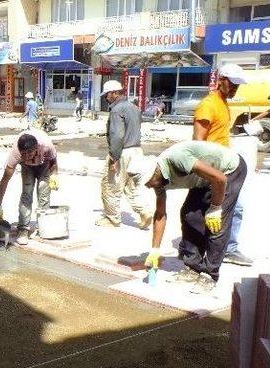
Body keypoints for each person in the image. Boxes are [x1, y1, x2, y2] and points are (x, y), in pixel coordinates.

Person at [140, 141, 247, 293]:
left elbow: (220, 179)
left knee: (217, 223)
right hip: (204, 179)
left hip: (229, 170)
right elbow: (160, 214)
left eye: (148, 183)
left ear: (155, 172)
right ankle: (193, 268)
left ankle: (210, 275)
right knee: (189, 215)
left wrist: (215, 208)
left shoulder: (177, 159)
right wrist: (155, 250)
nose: (148, 186)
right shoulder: (158, 182)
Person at [192, 63, 252, 267]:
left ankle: (223, 248)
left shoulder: (223, 103)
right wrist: (206, 173)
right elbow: (198, 142)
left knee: (231, 209)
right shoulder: (208, 105)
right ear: (220, 80)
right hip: (213, 170)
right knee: (218, 210)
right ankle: (221, 250)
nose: (235, 88)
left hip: (225, 166)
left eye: (238, 84)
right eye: (232, 83)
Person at [96, 80, 152, 229]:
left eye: (107, 95)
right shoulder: (134, 108)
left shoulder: (116, 110)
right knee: (130, 185)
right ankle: (144, 212)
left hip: (122, 152)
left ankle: (112, 218)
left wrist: (114, 158)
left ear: (115, 93)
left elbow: (117, 136)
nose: (106, 98)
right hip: (136, 150)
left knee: (110, 185)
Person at [0, 128, 59, 245]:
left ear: (36, 148)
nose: (27, 156)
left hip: (44, 165)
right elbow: (5, 180)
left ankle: (42, 228)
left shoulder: (46, 146)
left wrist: (54, 175)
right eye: (24, 154)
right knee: (27, 193)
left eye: (29, 153)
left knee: (44, 193)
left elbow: (54, 161)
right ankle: (23, 230)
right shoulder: (16, 154)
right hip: (27, 168)